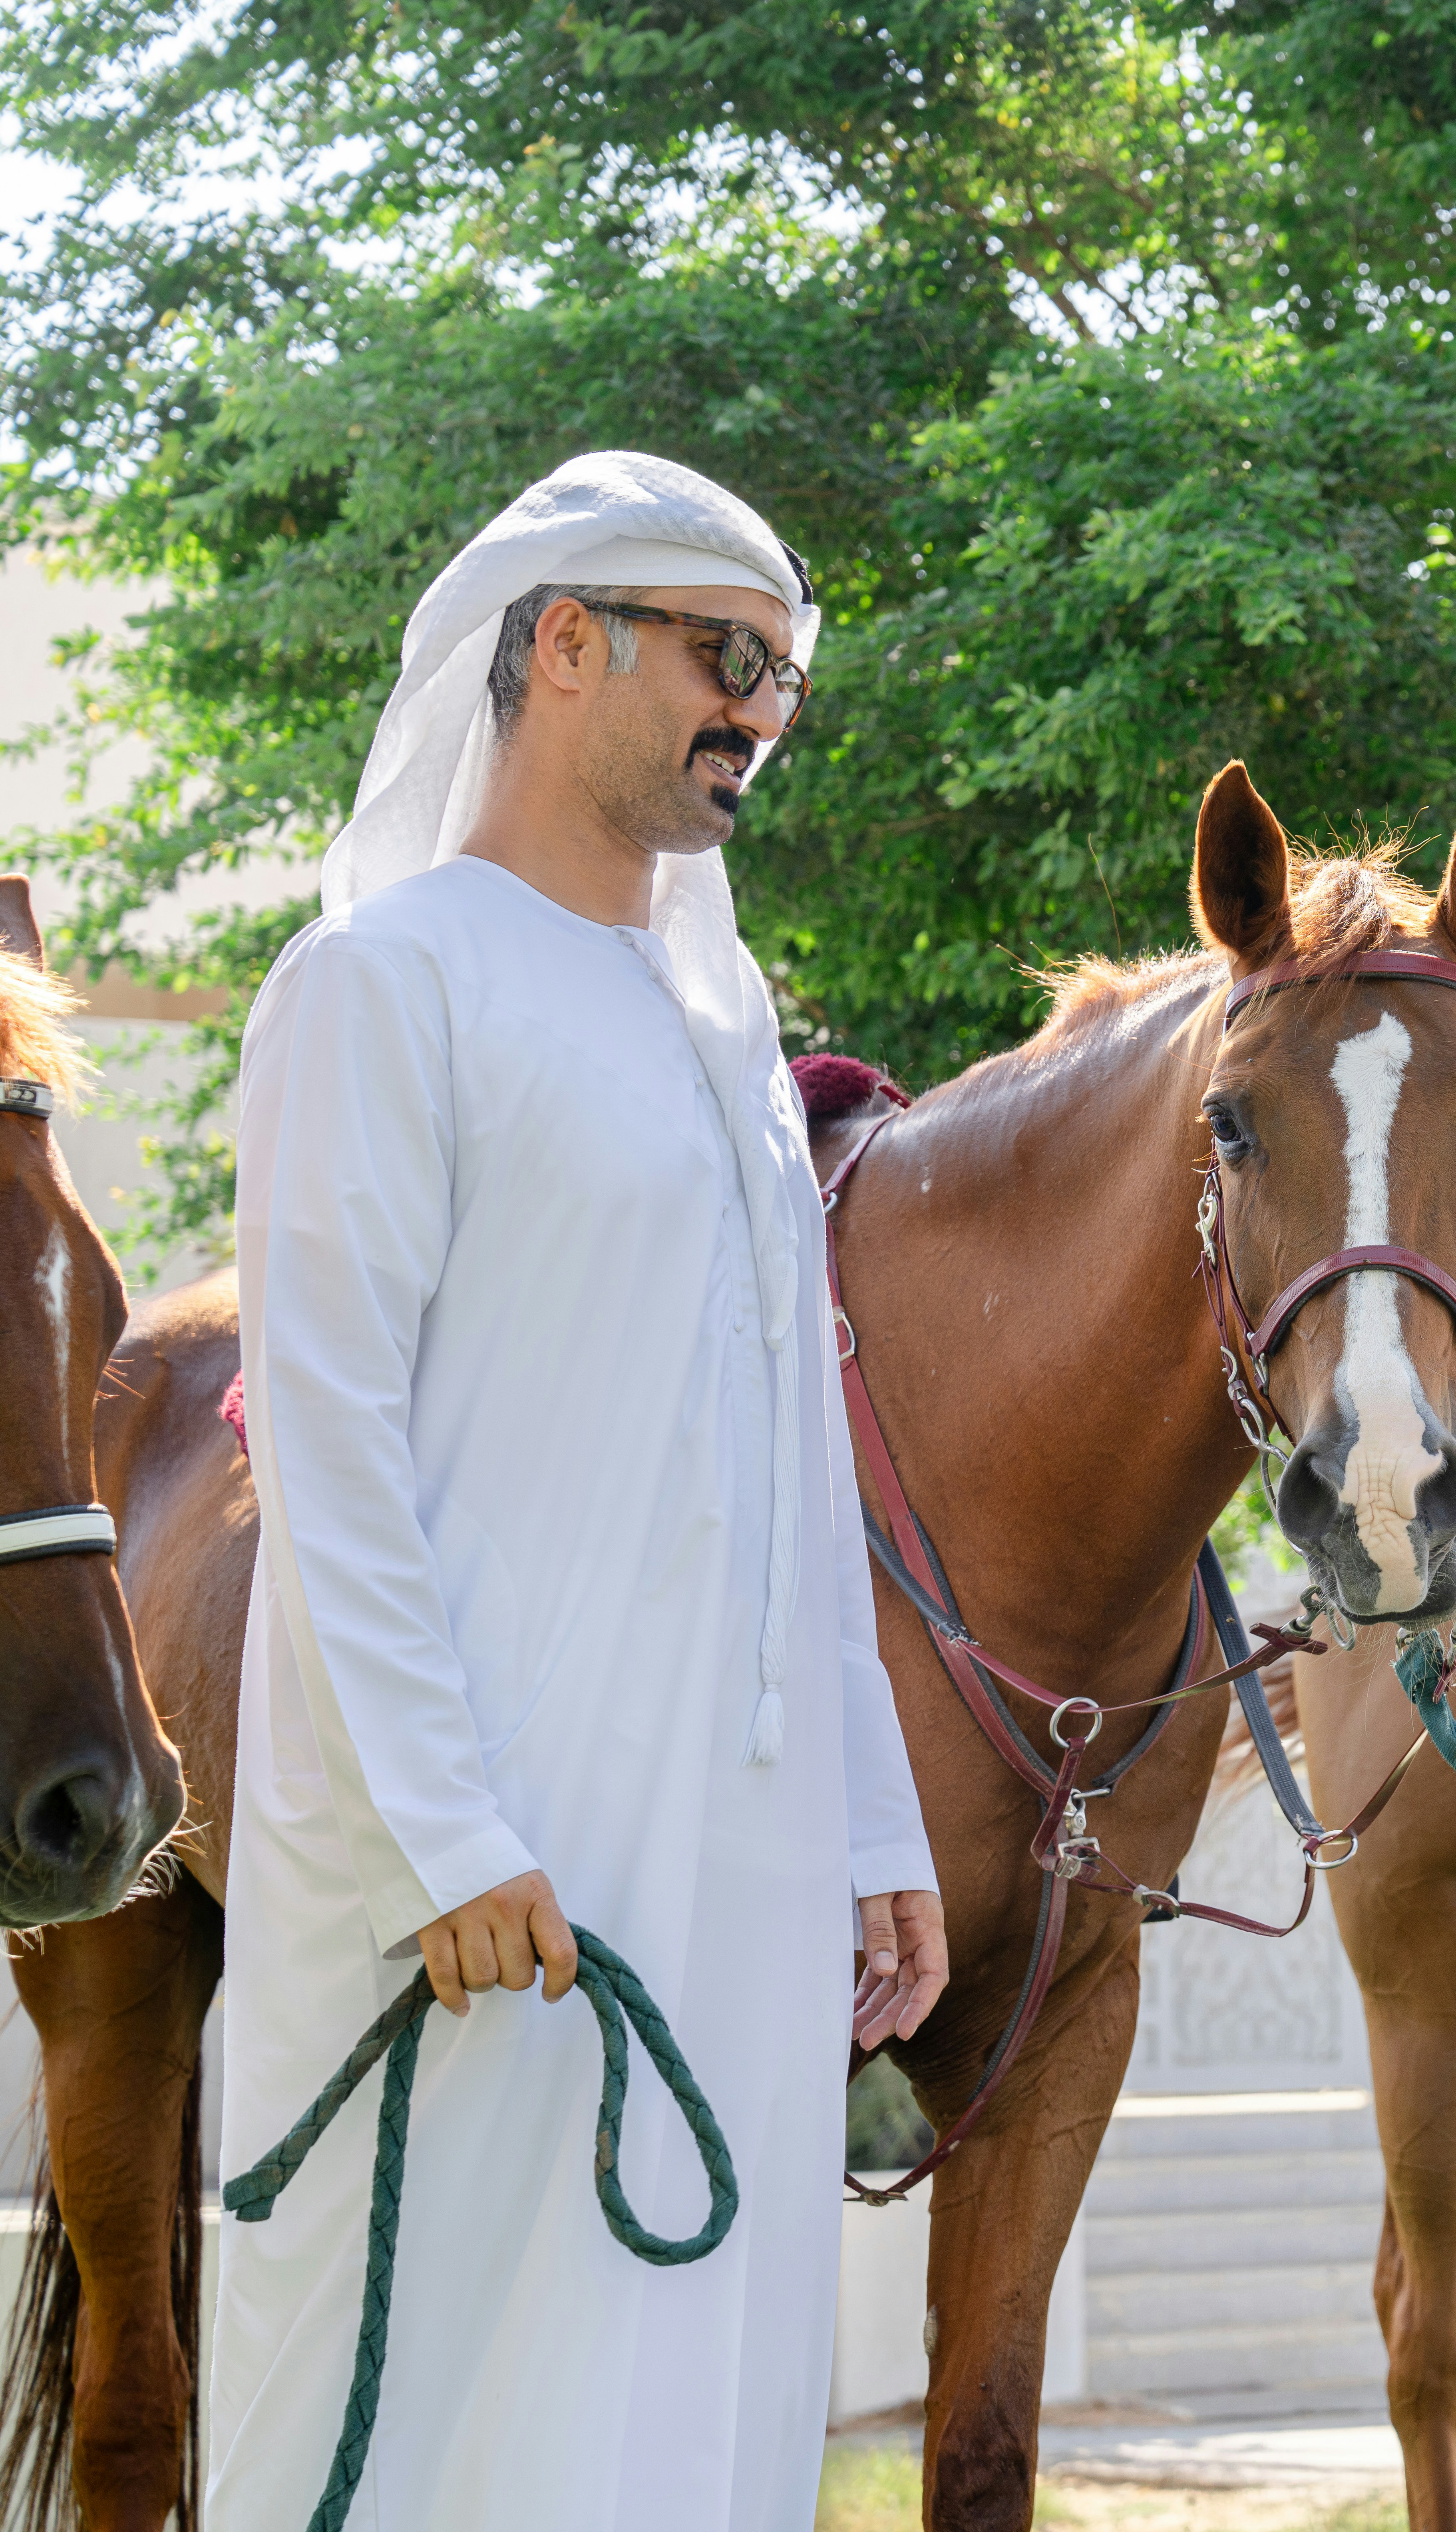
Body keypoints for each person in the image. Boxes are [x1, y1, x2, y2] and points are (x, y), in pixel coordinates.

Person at [215, 451, 949, 2529]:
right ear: (561, 646)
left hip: (728, 1874)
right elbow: (333, 1451)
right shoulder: (384, 984)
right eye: (729, 662)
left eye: (787, 686)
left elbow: (793, 1470)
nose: (760, 718)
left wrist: (873, 1818)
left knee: (693, 2415)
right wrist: (444, 1832)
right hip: (478, 1886)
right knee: (456, 2413)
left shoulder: (728, 1048)